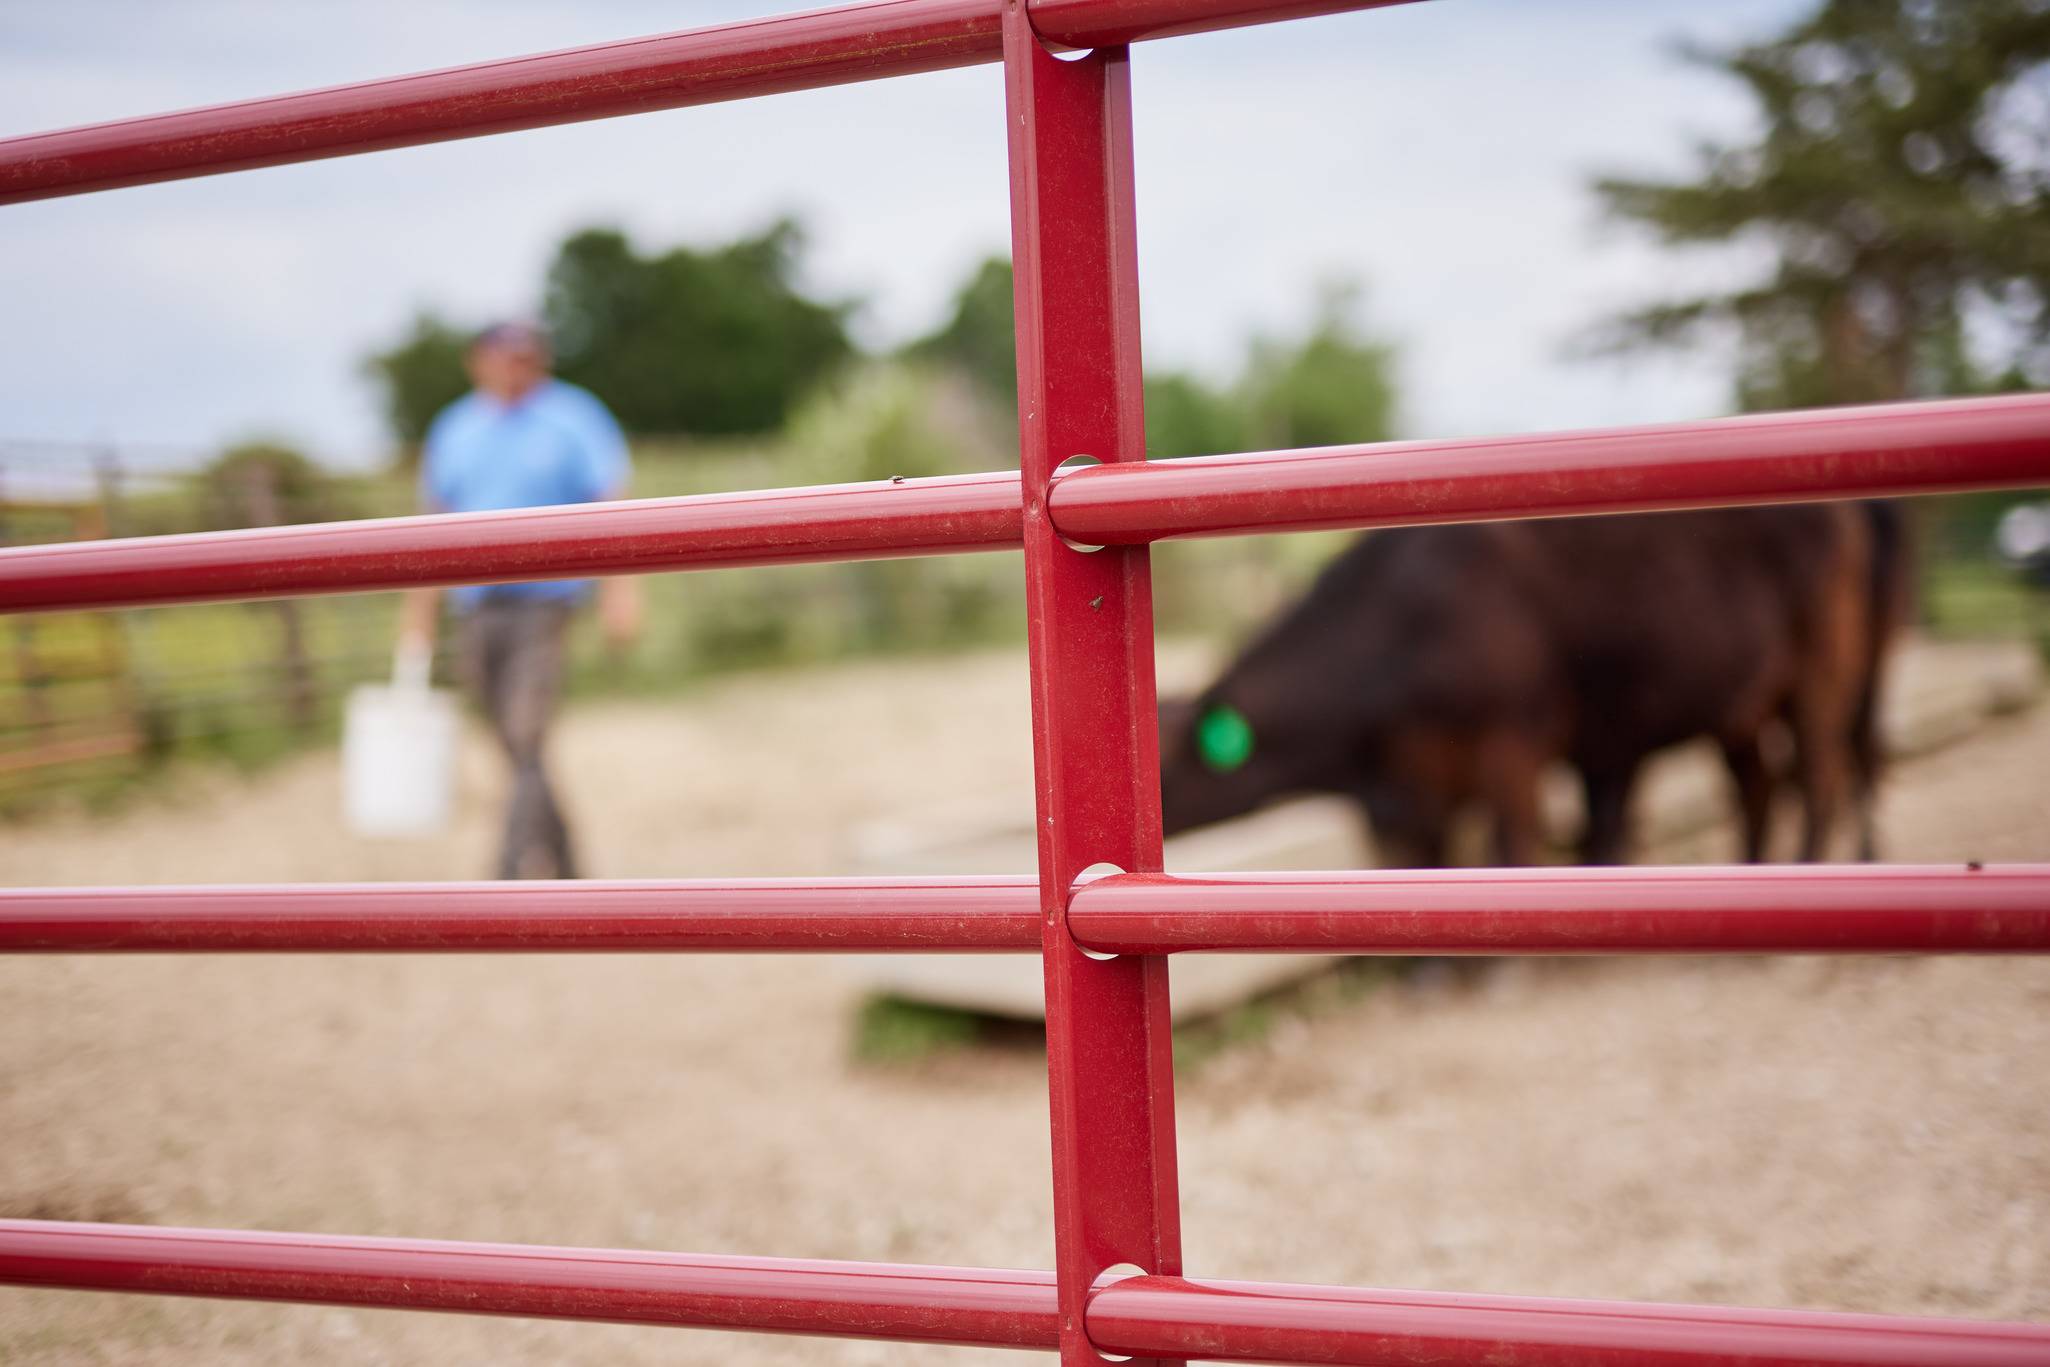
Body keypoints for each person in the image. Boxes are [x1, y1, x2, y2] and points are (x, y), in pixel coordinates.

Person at [396, 321, 640, 879]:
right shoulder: (454, 429)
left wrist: (620, 594)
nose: (518, 367)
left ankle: (505, 870)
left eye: (526, 357)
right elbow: (430, 524)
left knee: (527, 727)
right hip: (475, 603)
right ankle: (566, 856)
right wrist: (418, 615)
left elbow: (614, 506)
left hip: (544, 601)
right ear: (477, 362)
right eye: (506, 357)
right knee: (508, 736)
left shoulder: (574, 418)